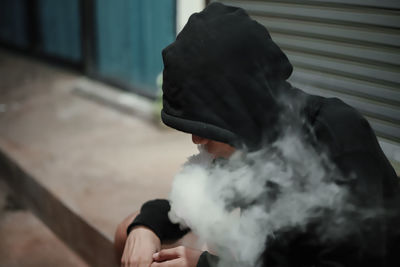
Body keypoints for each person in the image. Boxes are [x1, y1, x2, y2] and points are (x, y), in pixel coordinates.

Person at [114, 2, 400, 267]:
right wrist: (145, 226)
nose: (197, 139)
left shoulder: (339, 140)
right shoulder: (244, 139)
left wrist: (202, 264)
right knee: (127, 231)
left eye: (203, 125)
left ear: (237, 103)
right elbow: (185, 208)